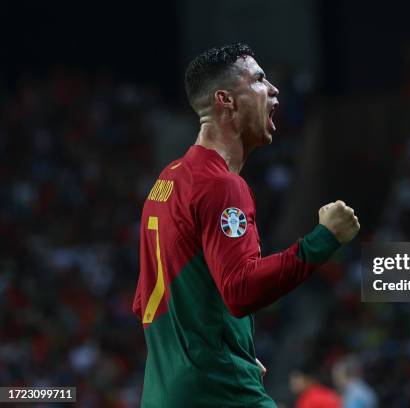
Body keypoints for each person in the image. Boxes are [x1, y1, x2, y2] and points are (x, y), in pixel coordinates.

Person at [131, 42, 360, 407]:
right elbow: (241, 291)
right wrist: (323, 239)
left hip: (165, 392)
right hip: (217, 393)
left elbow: (147, 301)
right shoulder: (222, 185)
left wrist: (229, 345)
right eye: (258, 79)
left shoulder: (167, 181)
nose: (273, 90)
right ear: (226, 101)